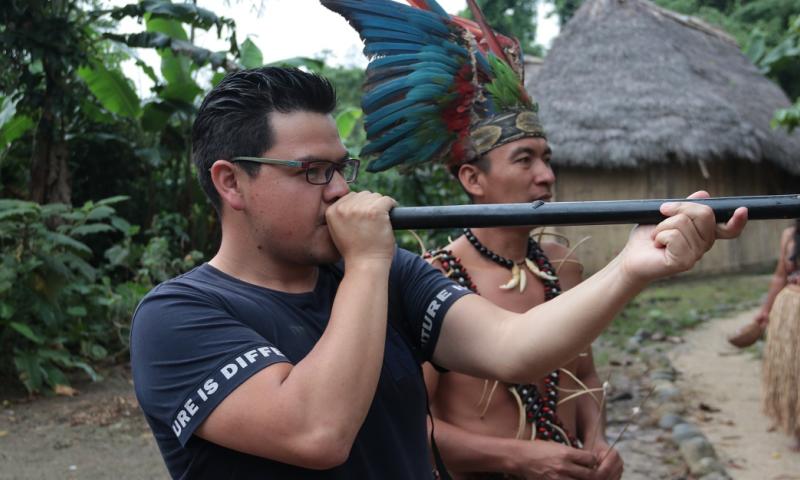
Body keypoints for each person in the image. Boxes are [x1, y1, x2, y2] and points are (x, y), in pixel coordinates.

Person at [130, 4, 747, 480]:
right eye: (314, 172)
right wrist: (369, 260)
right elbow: (315, 433)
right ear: (231, 182)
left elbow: (515, 348)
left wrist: (635, 267)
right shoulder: (179, 317)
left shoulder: (388, 275)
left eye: (344, 169)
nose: (340, 190)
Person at [422, 140, 623, 479]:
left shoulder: (563, 265)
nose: (546, 176)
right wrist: (516, 458)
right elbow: (409, 423)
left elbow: (583, 376)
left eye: (547, 159)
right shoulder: (433, 280)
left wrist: (595, 440)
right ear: (473, 179)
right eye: (525, 161)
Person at [754, 219, 800, 451]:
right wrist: (766, 309)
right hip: (791, 307)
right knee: (793, 372)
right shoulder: (790, 235)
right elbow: (780, 276)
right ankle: (798, 429)